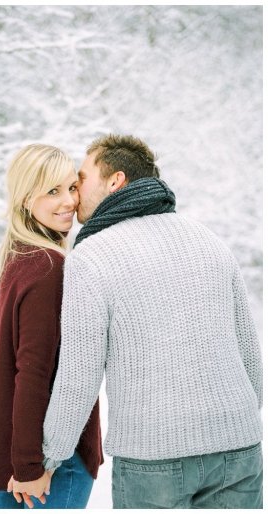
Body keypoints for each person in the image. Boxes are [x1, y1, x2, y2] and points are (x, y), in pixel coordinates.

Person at [19, 134, 263, 508]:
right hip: (239, 449)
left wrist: (47, 459)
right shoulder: (211, 240)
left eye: (81, 178)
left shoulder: (93, 255)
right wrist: (231, 421)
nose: (73, 191)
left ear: (115, 181)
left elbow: (79, 375)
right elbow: (250, 354)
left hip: (154, 457)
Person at [0, 144, 103, 509]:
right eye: (52, 191)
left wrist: (19, 460)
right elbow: (32, 371)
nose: (69, 201)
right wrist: (29, 465)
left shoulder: (21, 257)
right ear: (25, 198)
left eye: (71, 187)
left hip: (24, 458)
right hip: (47, 466)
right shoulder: (48, 266)